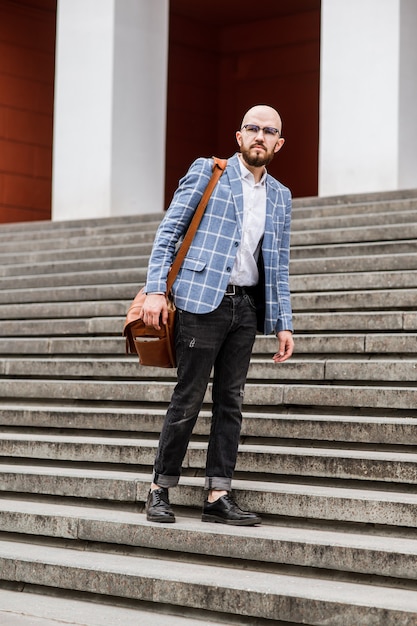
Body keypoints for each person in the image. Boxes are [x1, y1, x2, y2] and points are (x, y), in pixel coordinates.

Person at [140, 104, 294, 526]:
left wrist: (283, 322)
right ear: (239, 136)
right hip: (201, 299)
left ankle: (218, 494)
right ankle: (159, 488)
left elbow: (278, 263)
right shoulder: (209, 172)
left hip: (245, 307)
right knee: (187, 397)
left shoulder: (280, 196)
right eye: (252, 128)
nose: (260, 135)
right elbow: (170, 229)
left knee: (231, 402)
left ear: (278, 143)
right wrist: (156, 289)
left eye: (269, 131)